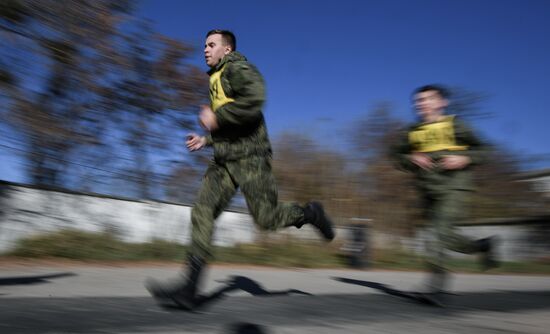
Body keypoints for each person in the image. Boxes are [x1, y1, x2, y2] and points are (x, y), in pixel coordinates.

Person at [145, 29, 335, 310]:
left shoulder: (237, 67)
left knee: (267, 219)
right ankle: (189, 289)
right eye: (204, 46)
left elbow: (255, 99)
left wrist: (216, 118)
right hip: (224, 160)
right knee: (202, 211)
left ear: (228, 50)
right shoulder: (216, 79)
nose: (205, 50)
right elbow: (230, 127)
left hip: (250, 158)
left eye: (211, 45)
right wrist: (206, 139)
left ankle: (309, 213)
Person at [391, 84, 498, 304]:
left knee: (439, 232)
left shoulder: (457, 125)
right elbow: (396, 156)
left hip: (455, 187)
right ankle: (482, 246)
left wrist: (465, 158)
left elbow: (486, 149)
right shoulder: (412, 132)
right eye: (418, 101)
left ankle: (435, 286)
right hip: (428, 189)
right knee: (441, 235)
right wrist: (411, 158)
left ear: (442, 102)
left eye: (428, 99)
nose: (422, 104)